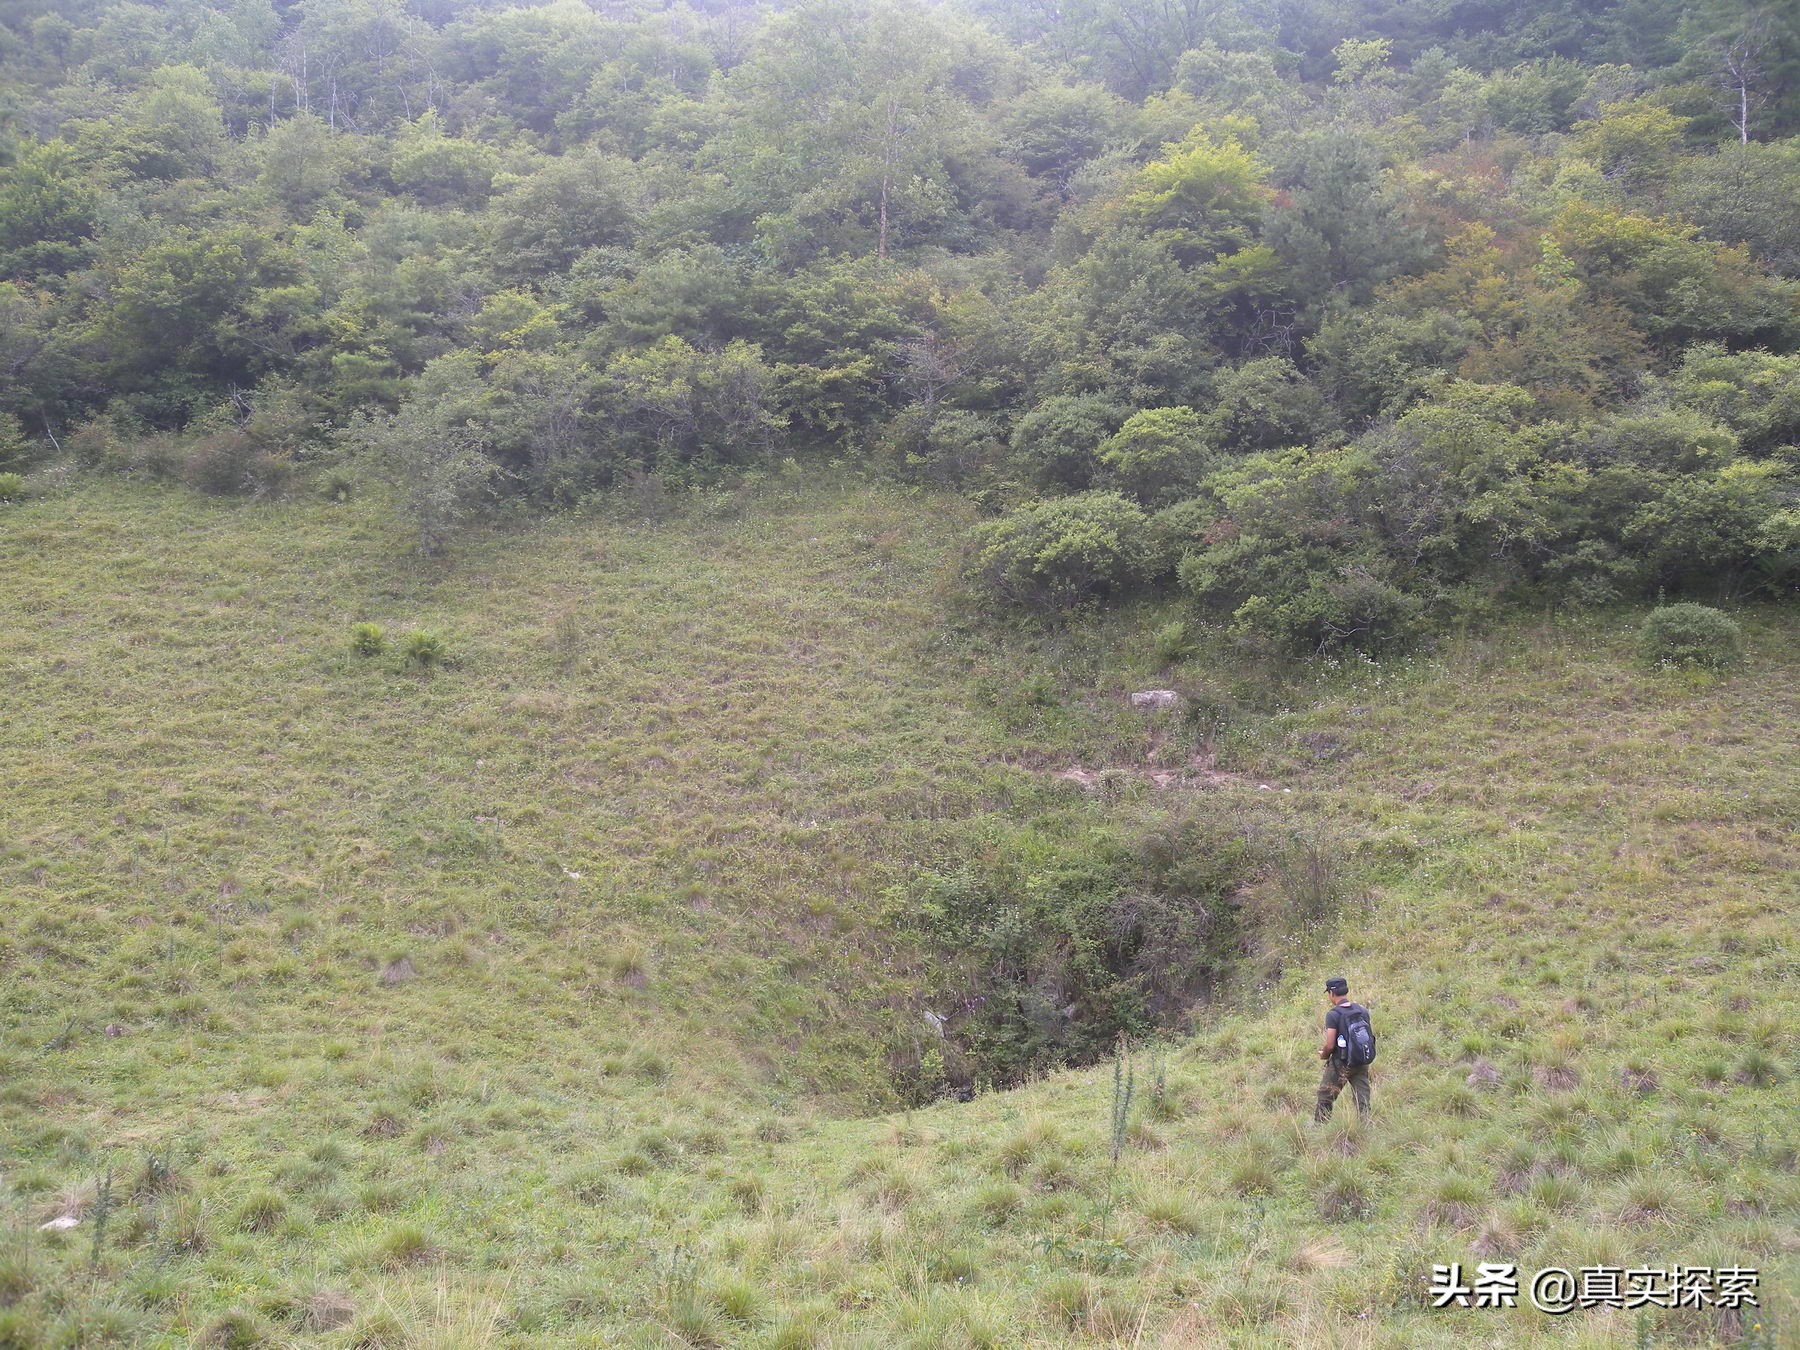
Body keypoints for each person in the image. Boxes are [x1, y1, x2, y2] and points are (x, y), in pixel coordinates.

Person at [1314, 975, 1373, 1122]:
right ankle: (1365, 1126)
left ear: (1332, 993)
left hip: (1341, 1063)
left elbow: (1330, 1044)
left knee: (1325, 1096)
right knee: (1362, 1099)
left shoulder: (1333, 1015)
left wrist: (1324, 1054)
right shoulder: (1362, 1010)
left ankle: (1320, 1128)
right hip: (1361, 1061)